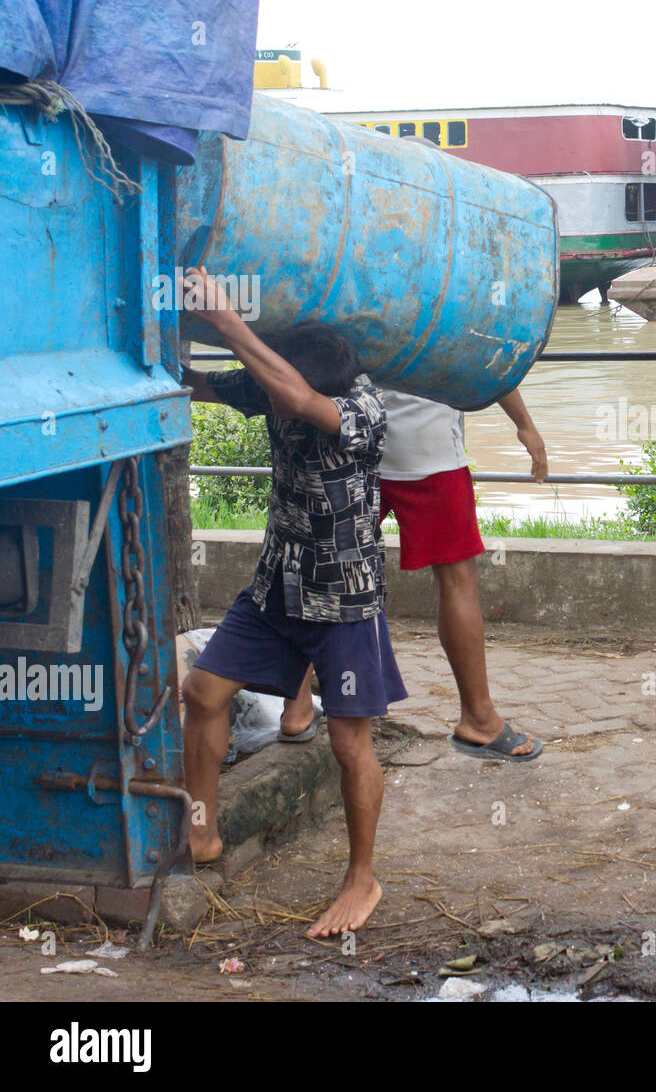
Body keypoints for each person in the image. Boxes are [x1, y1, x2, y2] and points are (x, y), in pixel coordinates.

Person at [179, 267, 403, 937]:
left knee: (348, 740)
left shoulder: (362, 410)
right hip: (277, 586)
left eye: (278, 392)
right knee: (203, 691)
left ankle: (362, 880)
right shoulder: (275, 382)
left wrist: (225, 321)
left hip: (344, 600)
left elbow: (298, 399)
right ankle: (203, 835)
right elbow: (203, 386)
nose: (270, 403)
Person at [280, 387, 546, 760]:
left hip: (347, 439)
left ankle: (297, 706)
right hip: (426, 450)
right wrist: (524, 424)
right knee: (458, 581)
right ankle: (479, 719)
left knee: (321, 567)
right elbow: (479, 354)